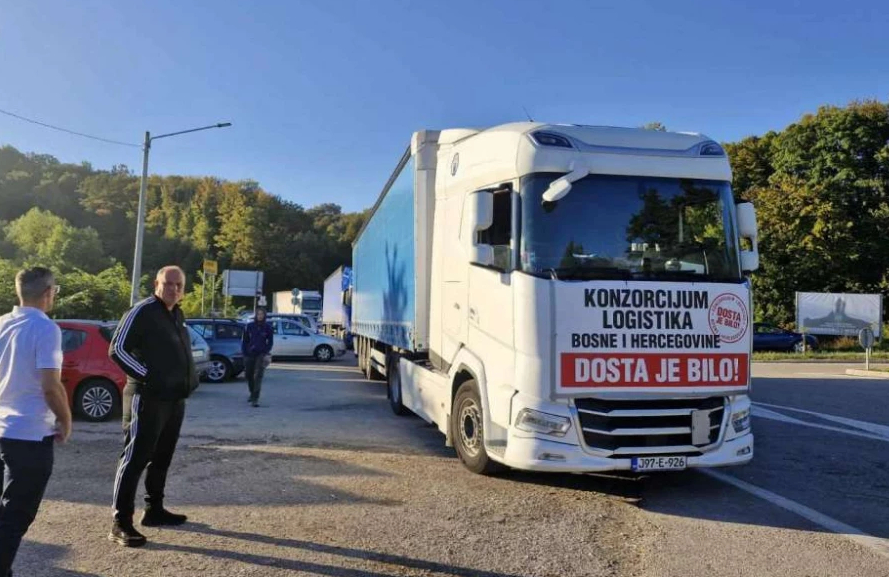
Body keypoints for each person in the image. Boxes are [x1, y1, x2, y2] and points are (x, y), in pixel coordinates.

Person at [107, 265, 198, 547]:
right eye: (168, 283)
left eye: (179, 285)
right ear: (156, 284)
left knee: (162, 457)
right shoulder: (142, 311)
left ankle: (154, 510)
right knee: (135, 458)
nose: (173, 289)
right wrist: (148, 376)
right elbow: (117, 349)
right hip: (146, 397)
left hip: (174, 399)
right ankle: (120, 522)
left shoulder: (177, 314)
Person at [0, 267, 72, 577]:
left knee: (5, 512)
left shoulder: (2, 323)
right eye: (55, 290)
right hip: (29, 434)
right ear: (47, 293)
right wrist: (65, 419)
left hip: (2, 429)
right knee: (16, 515)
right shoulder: (45, 328)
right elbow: (50, 386)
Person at [241, 307, 273, 407]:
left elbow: (270, 342)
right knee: (248, 375)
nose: (260, 316)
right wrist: (245, 352)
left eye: (262, 314)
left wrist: (266, 351)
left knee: (258, 376)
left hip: (261, 354)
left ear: (264, 316)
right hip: (249, 354)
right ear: (256, 315)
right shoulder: (249, 326)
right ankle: (252, 393)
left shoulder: (267, 327)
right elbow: (244, 341)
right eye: (258, 314)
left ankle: (255, 399)